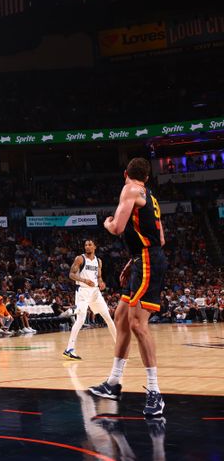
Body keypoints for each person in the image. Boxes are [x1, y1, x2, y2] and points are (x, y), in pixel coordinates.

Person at [90, 158, 167, 417]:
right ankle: (113, 382)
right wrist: (132, 260)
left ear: (126, 174)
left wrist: (107, 222)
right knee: (120, 316)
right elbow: (161, 239)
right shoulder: (151, 196)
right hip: (141, 259)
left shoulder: (129, 189)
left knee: (137, 323)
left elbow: (118, 228)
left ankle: (155, 392)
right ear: (148, 177)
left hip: (146, 261)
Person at [63, 240, 117, 360]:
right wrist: (84, 280)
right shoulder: (80, 259)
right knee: (80, 320)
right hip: (82, 291)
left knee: (108, 318)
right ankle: (69, 349)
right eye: (86, 245)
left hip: (95, 293)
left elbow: (99, 277)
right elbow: (71, 274)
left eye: (90, 244)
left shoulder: (99, 261)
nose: (87, 246)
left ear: (95, 247)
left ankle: (119, 347)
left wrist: (102, 283)